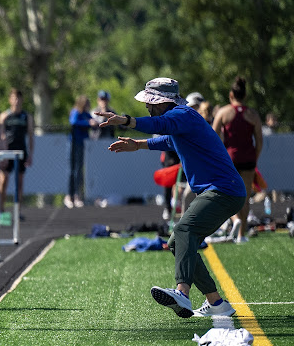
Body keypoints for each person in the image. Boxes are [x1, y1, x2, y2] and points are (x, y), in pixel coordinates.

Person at [99, 77, 245, 318]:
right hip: (218, 190)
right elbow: (168, 139)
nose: (147, 106)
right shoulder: (181, 120)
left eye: (151, 102)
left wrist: (126, 120)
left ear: (164, 101)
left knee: (185, 230)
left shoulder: (182, 115)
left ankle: (182, 293)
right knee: (177, 242)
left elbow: (160, 125)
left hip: (223, 190)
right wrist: (138, 145)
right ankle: (217, 303)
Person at [211, 77, 263, 244]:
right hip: (248, 160)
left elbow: (213, 137)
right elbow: (259, 141)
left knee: (226, 194)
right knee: (245, 197)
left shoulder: (223, 113)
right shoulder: (253, 114)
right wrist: (254, 158)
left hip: (230, 160)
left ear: (231, 94)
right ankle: (241, 235)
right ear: (245, 95)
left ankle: (235, 219)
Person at [0, 88, 34, 217]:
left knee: (19, 182)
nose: (16, 101)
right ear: (10, 100)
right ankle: (1, 210)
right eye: (14, 98)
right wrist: (3, 153)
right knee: (3, 181)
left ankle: (17, 210)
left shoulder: (26, 116)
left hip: (21, 151)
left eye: (19, 98)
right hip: (7, 152)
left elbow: (30, 136)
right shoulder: (4, 116)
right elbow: (1, 135)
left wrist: (30, 154)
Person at [65, 95, 97, 208]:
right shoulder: (76, 112)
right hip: (74, 144)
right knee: (72, 170)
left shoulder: (85, 114)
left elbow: (92, 121)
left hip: (82, 144)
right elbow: (73, 122)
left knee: (79, 170)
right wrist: (88, 123)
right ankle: (70, 195)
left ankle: (78, 195)